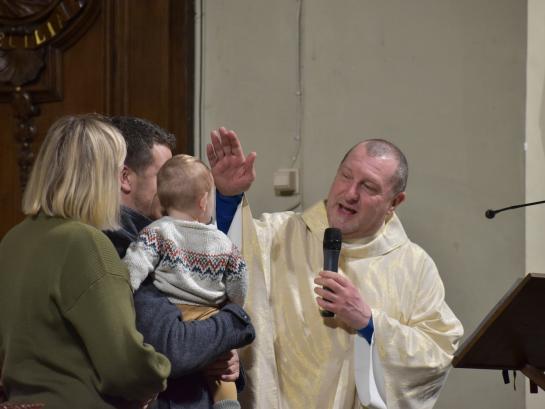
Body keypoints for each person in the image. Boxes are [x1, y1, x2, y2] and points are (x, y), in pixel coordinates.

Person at [207, 134, 464, 409]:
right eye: (346, 176)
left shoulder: (414, 267)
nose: (350, 194)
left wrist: (369, 322)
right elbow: (226, 257)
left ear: (395, 202)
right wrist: (227, 199)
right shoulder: (279, 236)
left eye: (368, 187)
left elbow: (437, 353)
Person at [0, 114, 171, 409]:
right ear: (101, 176)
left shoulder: (13, 240)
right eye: (118, 171)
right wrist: (160, 370)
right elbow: (126, 367)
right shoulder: (85, 242)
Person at [106, 117, 255, 409]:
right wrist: (236, 322)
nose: (174, 185)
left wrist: (225, 359)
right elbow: (174, 347)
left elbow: (209, 247)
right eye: (164, 175)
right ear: (125, 178)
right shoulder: (124, 243)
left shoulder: (157, 230)